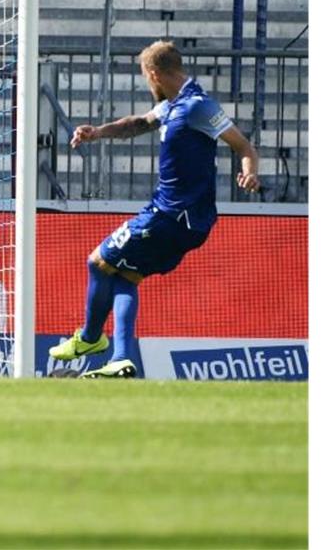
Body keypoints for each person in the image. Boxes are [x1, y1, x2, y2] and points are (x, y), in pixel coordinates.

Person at [50, 39, 261, 378]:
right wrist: (97, 132)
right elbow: (138, 123)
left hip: (172, 216)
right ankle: (121, 358)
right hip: (183, 220)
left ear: (153, 74)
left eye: (146, 78)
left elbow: (244, 146)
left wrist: (249, 173)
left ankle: (89, 338)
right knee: (125, 274)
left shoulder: (197, 107)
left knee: (98, 261)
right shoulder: (174, 105)